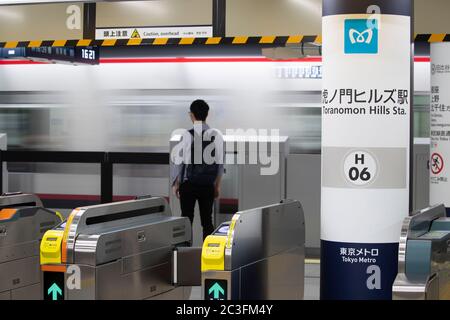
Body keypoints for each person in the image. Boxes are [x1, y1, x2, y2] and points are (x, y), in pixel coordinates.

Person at [171, 100, 224, 240]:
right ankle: (209, 253)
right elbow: (220, 164)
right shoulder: (216, 136)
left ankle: (185, 252)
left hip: (189, 184)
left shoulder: (187, 135)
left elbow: (180, 162)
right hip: (207, 185)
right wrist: (217, 186)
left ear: (192, 115)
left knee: (187, 220)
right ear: (207, 114)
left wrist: (176, 184)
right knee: (207, 221)